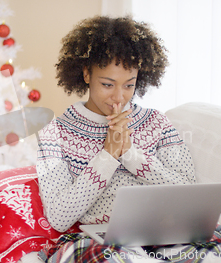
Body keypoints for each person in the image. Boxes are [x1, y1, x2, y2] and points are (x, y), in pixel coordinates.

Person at [37, 16, 196, 233]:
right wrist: (108, 156)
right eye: (107, 84)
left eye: (129, 85)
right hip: (104, 240)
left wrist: (131, 154)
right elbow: (58, 217)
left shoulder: (156, 122)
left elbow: (191, 194)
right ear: (86, 74)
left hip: (166, 230)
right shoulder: (54, 135)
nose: (119, 97)